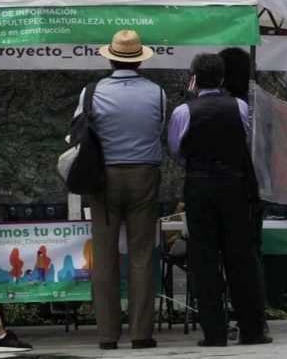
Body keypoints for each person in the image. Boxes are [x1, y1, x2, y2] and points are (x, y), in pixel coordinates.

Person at [168, 54, 272, 347]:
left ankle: (214, 332)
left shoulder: (182, 112)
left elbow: (176, 150)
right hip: (233, 184)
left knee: (205, 259)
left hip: (200, 185)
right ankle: (252, 329)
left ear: (194, 79)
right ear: (222, 78)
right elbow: (246, 139)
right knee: (240, 257)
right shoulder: (238, 106)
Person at [74, 30, 165, 350]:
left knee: (104, 255)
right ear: (140, 59)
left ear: (110, 57)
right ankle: (141, 334)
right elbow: (159, 129)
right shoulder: (158, 92)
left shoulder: (91, 91)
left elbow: (77, 135)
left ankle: (107, 335)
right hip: (144, 175)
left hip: (103, 177)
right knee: (141, 255)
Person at [218, 47, 270, 336]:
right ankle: (254, 316)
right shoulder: (258, 102)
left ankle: (229, 311)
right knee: (250, 255)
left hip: (226, 182)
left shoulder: (225, 104)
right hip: (252, 186)